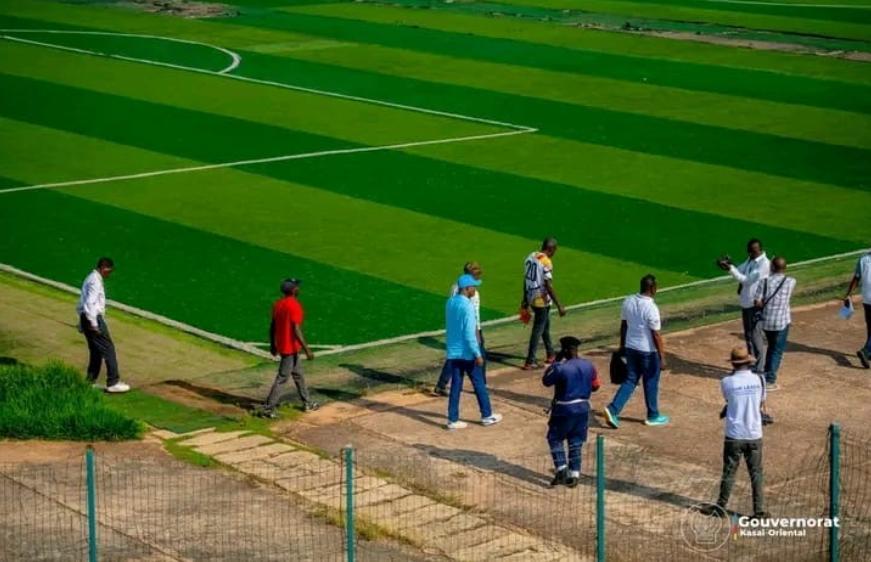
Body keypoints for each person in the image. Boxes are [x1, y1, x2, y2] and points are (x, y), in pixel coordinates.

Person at [701, 347, 768, 519]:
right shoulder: (760, 379)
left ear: (733, 364)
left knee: (729, 472)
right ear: (749, 362)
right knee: (756, 473)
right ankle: (759, 511)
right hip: (754, 433)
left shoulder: (726, 382)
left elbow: (729, 400)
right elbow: (761, 402)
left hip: (734, 434)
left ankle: (721, 506)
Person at [602, 274, 669, 428]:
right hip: (648, 351)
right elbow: (656, 334)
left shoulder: (628, 301)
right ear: (652, 288)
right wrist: (662, 356)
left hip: (631, 347)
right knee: (651, 381)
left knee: (630, 380)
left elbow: (624, 325)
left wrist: (622, 346)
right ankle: (653, 415)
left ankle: (613, 409)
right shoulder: (651, 307)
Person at [445, 274, 502, 430]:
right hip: (467, 353)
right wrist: (477, 354)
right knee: (479, 383)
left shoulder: (450, 302)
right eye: (473, 287)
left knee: (456, 385)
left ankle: (452, 419)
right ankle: (487, 415)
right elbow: (470, 334)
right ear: (467, 288)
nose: (475, 289)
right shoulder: (468, 307)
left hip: (453, 351)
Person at [543, 336, 600, 488]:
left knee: (554, 438)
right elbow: (596, 386)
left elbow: (546, 381)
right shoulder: (589, 365)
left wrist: (556, 361)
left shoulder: (561, 367)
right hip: (583, 409)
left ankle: (561, 468)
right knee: (576, 441)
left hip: (563, 409)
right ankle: (574, 474)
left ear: (565, 350)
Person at [263, 278, 318, 418]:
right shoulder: (294, 305)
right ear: (294, 290)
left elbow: (273, 326)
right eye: (297, 287)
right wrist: (307, 350)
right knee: (282, 378)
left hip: (284, 346)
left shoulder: (278, 304)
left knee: (298, 375)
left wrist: (273, 344)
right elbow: (296, 329)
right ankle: (268, 409)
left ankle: (307, 403)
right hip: (290, 348)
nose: (298, 289)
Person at [76, 258, 130, 393]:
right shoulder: (95, 281)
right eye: (109, 271)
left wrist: (82, 322)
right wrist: (93, 324)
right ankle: (113, 382)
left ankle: (90, 381)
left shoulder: (90, 278)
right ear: (104, 268)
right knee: (108, 348)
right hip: (93, 319)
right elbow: (90, 303)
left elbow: (81, 303)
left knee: (96, 351)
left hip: (86, 318)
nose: (109, 274)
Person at [717, 239, 770, 374]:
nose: (750, 253)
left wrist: (731, 269)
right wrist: (728, 266)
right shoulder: (751, 260)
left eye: (752, 251)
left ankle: (759, 368)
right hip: (746, 303)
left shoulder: (764, 264)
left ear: (759, 249)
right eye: (749, 251)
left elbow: (746, 280)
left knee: (755, 336)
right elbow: (739, 271)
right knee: (748, 335)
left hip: (755, 304)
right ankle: (751, 363)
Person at [434, 262, 484, 396]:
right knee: (476, 356)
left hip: (457, 326)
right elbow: (471, 313)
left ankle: (443, 384)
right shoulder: (471, 292)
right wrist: (476, 332)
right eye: (476, 275)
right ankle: (480, 386)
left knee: (455, 356)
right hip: (470, 327)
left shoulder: (456, 287)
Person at [522, 237, 566, 370]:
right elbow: (548, 285)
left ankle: (551, 354)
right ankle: (530, 360)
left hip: (531, 295)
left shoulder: (531, 256)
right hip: (541, 299)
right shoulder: (546, 262)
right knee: (538, 329)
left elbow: (526, 279)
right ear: (551, 249)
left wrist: (525, 299)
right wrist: (559, 305)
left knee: (545, 326)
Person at [754, 257, 795, 391]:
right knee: (776, 350)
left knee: (771, 347)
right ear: (785, 268)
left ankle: (765, 374)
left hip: (767, 321)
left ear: (772, 267)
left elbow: (757, 302)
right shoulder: (791, 281)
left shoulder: (764, 282)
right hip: (781, 321)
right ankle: (769, 379)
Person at [843, 249, 871, 369]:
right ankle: (866, 350)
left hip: (867, 298)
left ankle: (869, 352)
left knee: (870, 325)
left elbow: (856, 278)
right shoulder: (863, 259)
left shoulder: (863, 259)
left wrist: (848, 294)